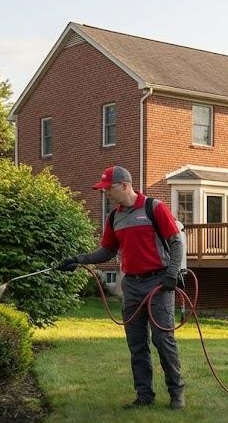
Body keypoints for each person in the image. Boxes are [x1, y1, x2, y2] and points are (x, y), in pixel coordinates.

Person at [58, 165, 186, 410]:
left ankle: (176, 392)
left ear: (125, 186)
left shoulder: (153, 208)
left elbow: (175, 243)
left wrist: (171, 274)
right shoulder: (114, 217)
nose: (106, 193)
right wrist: (77, 259)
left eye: (109, 188)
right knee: (136, 343)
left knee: (162, 339)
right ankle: (144, 396)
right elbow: (107, 250)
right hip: (132, 286)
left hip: (159, 284)